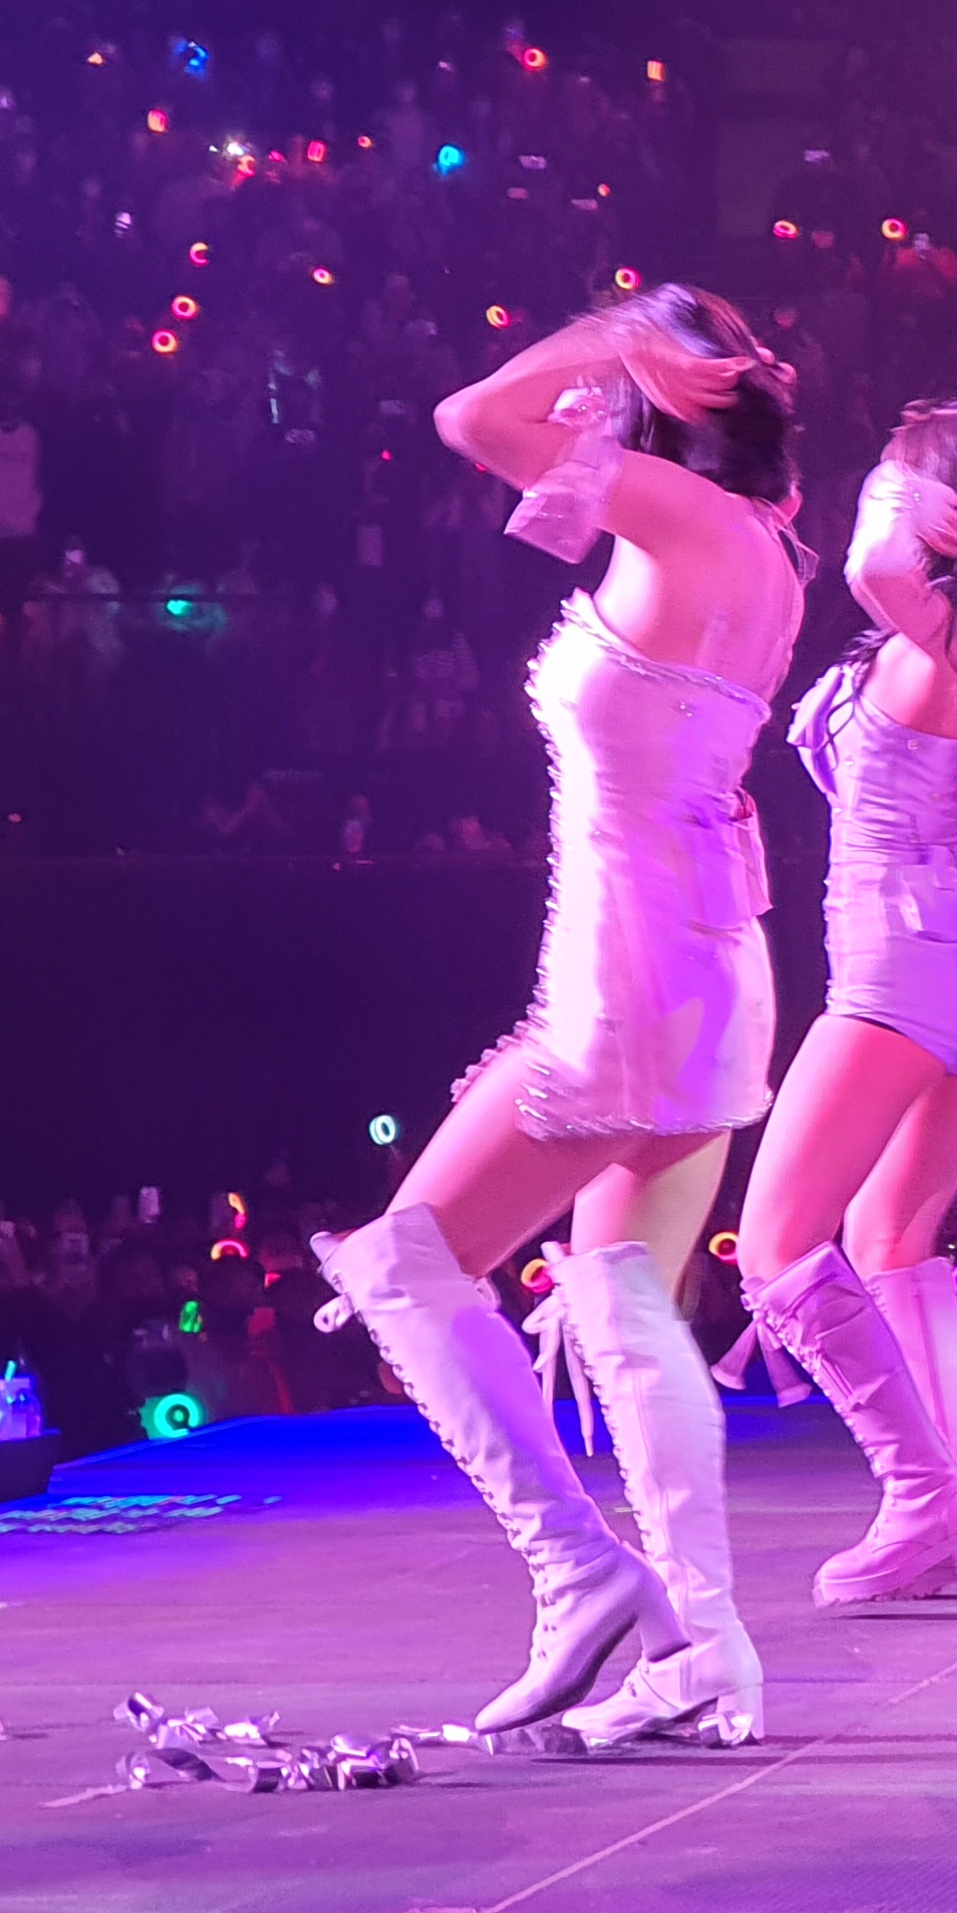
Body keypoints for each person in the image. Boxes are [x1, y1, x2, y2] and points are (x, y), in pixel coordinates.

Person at [312, 287, 801, 1749]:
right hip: (700, 965)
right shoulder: (757, 547)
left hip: (631, 983)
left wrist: (616, 334)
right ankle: (703, 1645)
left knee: (407, 1260)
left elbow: (470, 417)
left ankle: (579, 1573)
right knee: (618, 1298)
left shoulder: (688, 520)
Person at [730, 403, 957, 1608]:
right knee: (892, 1243)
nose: (879, 486)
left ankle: (925, 1498)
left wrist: (906, 505)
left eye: (898, 476)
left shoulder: (956, 636)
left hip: (906, 968)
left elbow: (871, 565)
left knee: (779, 1243)